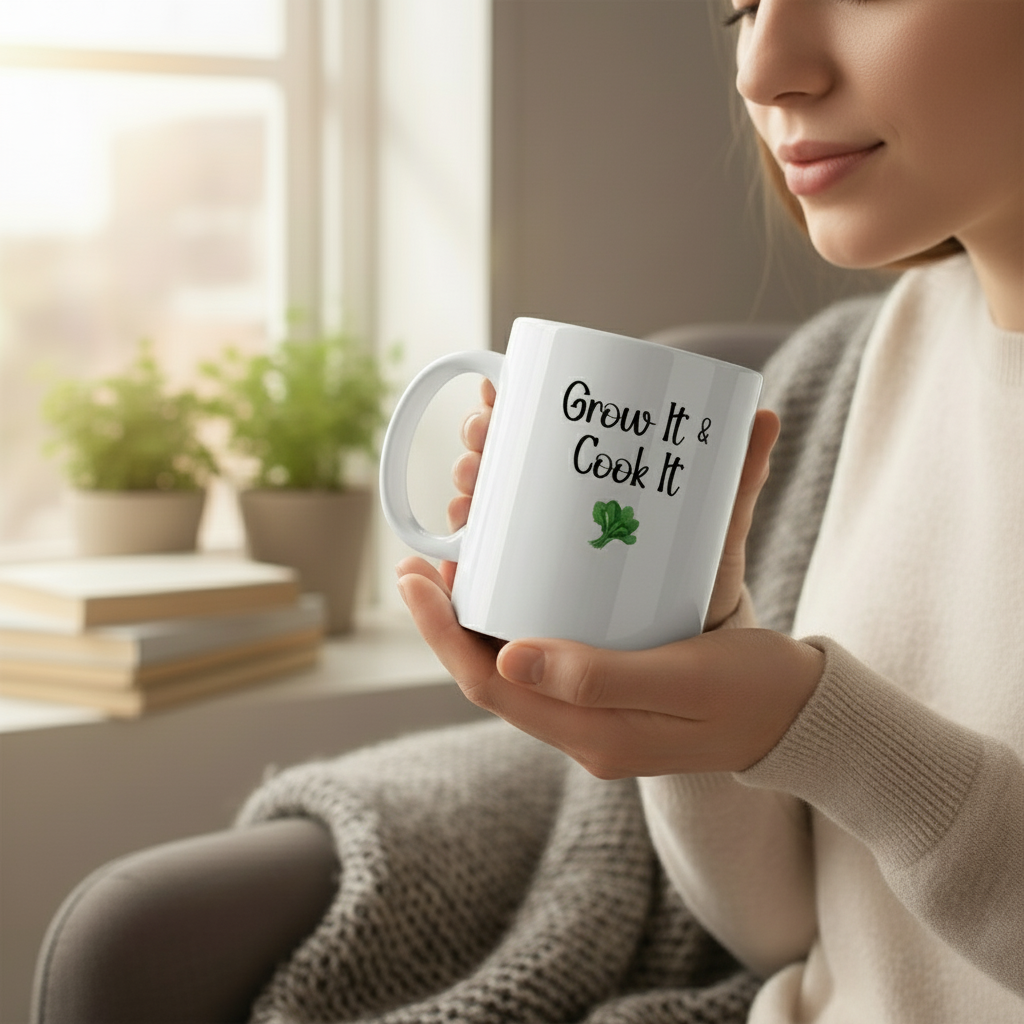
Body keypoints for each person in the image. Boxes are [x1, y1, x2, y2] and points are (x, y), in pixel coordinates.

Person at [394, 1, 1024, 1021]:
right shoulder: (850, 370)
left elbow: (837, 745)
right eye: (739, 4)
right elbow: (783, 931)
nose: (761, 67)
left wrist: (819, 726)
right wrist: (700, 695)